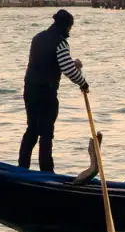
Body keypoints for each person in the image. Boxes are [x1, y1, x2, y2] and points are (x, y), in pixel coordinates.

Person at [19, 9, 89, 173]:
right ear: (66, 26)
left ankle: (22, 168)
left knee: (32, 129)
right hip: (47, 93)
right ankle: (46, 171)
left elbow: (49, 61)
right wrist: (83, 83)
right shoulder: (61, 42)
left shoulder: (37, 38)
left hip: (30, 90)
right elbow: (67, 69)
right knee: (46, 132)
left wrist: (72, 64)